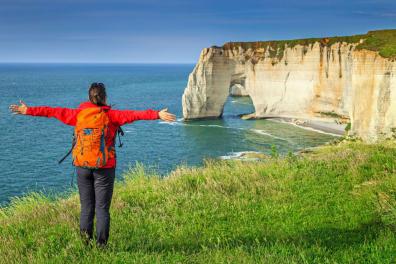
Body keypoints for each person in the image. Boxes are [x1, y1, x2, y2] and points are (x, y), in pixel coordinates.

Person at [9, 82, 176, 247]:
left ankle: (85, 244)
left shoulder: (78, 114)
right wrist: (157, 114)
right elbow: (134, 114)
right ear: (104, 97)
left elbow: (52, 111)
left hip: (82, 167)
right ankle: (101, 246)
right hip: (105, 168)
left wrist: (28, 110)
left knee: (86, 207)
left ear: (89, 97)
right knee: (102, 209)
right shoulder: (111, 115)